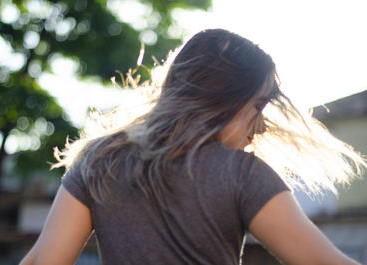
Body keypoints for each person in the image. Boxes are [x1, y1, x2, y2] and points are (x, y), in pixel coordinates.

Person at [20, 29, 365, 265]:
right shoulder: (243, 174)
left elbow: (43, 260)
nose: (261, 127)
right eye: (258, 107)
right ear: (220, 98)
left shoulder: (99, 161)